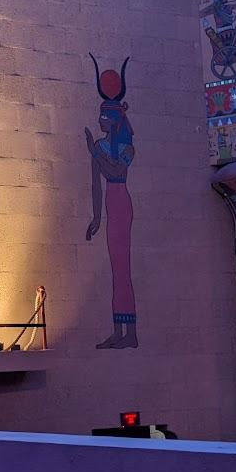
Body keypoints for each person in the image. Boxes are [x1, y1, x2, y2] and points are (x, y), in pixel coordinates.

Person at [84, 56, 137, 349]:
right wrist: (95, 218)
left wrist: (94, 152)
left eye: (104, 117)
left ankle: (130, 333)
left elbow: (116, 171)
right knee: (116, 268)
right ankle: (120, 330)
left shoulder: (126, 147)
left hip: (121, 202)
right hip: (109, 204)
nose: (100, 121)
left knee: (123, 265)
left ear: (115, 119)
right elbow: (96, 183)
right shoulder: (100, 146)